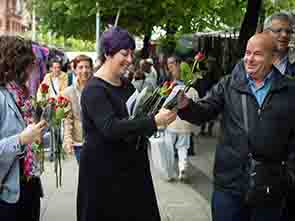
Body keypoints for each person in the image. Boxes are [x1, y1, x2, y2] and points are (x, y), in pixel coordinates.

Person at [176, 33, 295, 221]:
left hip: (269, 187)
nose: (249, 59)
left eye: (257, 54)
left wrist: (288, 176)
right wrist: (185, 106)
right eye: (247, 53)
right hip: (229, 185)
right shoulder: (228, 84)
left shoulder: (289, 90)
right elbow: (204, 111)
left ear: (273, 58)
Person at [77, 27, 177, 221]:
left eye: (132, 53)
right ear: (107, 53)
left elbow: (134, 122)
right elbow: (110, 128)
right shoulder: (94, 90)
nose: (130, 60)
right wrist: (152, 121)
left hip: (132, 171)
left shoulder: (127, 85)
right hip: (104, 177)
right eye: (124, 54)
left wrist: (157, 112)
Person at [0, 36, 48, 221]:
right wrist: (21, 139)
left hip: (29, 185)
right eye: (28, 64)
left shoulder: (23, 94)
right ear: (13, 66)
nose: (32, 70)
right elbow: (21, 138)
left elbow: (31, 138)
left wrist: (42, 132)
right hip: (8, 194)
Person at [166, 55, 199, 181]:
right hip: (185, 125)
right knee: (183, 148)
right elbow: (197, 107)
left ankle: (169, 172)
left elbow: (165, 105)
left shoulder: (171, 89)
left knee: (169, 149)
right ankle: (182, 168)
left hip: (171, 123)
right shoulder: (193, 91)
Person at [62, 55, 93, 164]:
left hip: (98, 140)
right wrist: (68, 139)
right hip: (80, 143)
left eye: (87, 67)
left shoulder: (99, 89)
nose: (84, 70)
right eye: (80, 67)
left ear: (91, 69)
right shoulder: (68, 92)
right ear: (74, 70)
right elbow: (67, 119)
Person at [264, 12, 295, 76]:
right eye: (278, 30)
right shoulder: (249, 61)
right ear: (266, 33)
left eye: (288, 31)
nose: (284, 35)